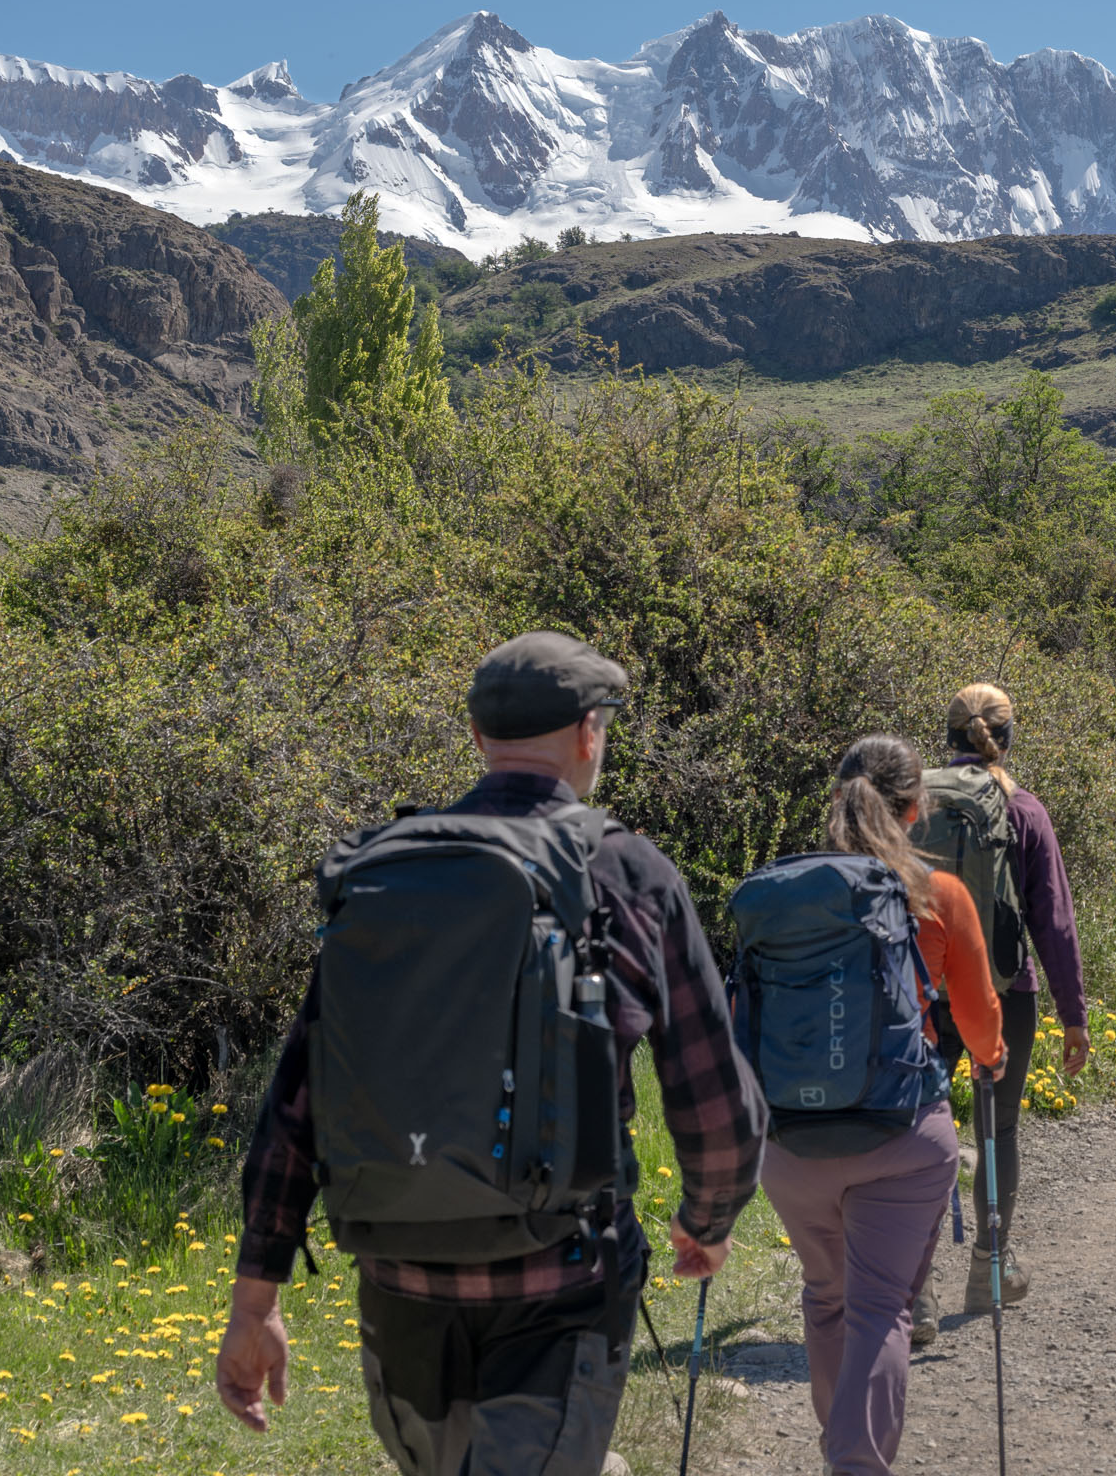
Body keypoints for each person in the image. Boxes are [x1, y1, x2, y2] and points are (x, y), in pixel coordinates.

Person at [216, 631, 766, 1476]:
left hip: (400, 1282)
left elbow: (297, 1101)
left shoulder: (384, 870)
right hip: (563, 1284)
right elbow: (712, 1091)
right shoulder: (623, 869)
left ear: (477, 736)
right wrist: (708, 1220)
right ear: (589, 734)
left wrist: (256, 1301)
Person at [749, 734, 1009, 1476]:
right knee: (880, 1306)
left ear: (835, 800)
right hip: (902, 1136)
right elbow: (978, 1021)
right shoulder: (937, 896)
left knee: (827, 1296)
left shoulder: (780, 895)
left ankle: (842, 1445)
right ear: (916, 808)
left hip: (791, 1139)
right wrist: (992, 1059)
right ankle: (855, 1464)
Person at [913, 681, 1088, 1337]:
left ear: (946, 738)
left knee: (920, 1130)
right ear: (1007, 739)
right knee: (999, 1129)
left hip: (926, 992)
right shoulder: (1025, 810)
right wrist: (1074, 1015)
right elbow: (1054, 922)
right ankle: (989, 1269)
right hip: (1005, 992)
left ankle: (914, 1291)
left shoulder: (913, 804)